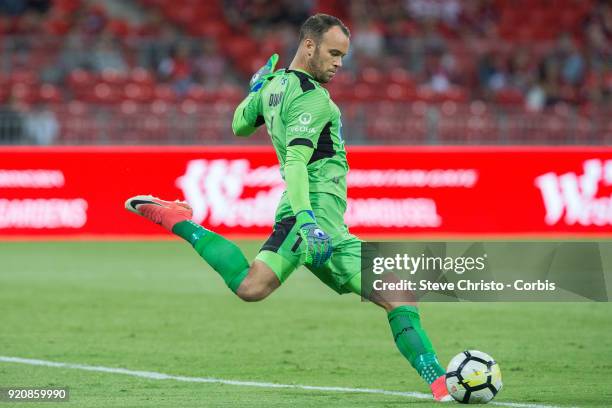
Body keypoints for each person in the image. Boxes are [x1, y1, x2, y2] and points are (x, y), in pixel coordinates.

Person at [125, 13, 450, 402]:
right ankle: (178, 220)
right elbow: (296, 163)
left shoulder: (273, 86)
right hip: (309, 218)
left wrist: (256, 89)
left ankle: (440, 382)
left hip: (332, 229)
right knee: (252, 287)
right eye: (333, 53)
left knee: (399, 296)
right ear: (309, 46)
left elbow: (240, 126)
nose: (338, 63)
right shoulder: (313, 96)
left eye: (343, 56)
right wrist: (307, 221)